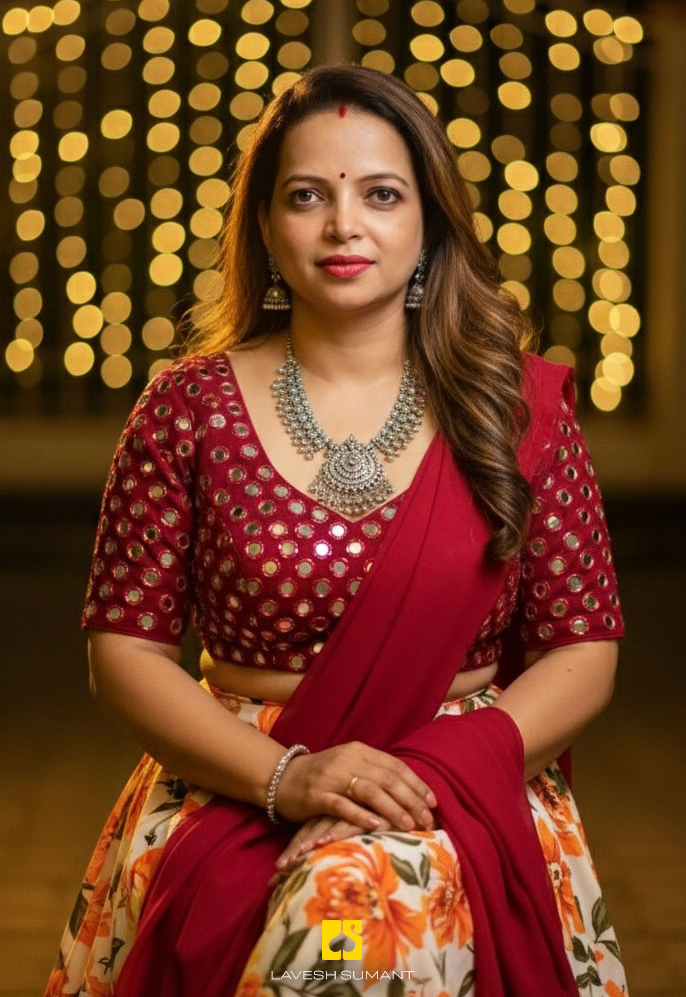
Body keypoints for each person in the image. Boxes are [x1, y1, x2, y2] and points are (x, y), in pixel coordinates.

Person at [45, 63, 629, 997]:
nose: (343, 225)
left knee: (348, 926)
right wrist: (290, 779)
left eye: (381, 194)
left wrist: (423, 778)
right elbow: (124, 652)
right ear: (268, 225)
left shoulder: (517, 412)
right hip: (236, 773)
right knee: (333, 936)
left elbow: (582, 649)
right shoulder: (186, 407)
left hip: (457, 784)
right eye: (307, 195)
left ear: (430, 220)